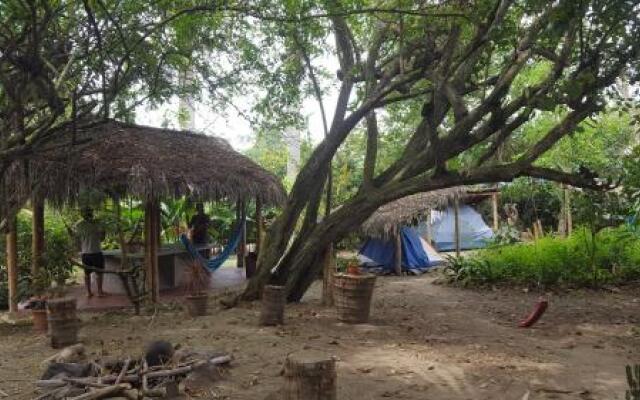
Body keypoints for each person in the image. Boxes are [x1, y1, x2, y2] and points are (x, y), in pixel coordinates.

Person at [74, 208, 107, 298]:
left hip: (88, 252)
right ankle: (97, 292)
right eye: (87, 211)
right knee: (97, 273)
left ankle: (91, 292)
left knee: (90, 273)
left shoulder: (79, 225)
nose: (88, 213)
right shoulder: (97, 223)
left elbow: (76, 239)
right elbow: (102, 238)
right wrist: (103, 231)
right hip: (94, 252)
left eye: (89, 211)